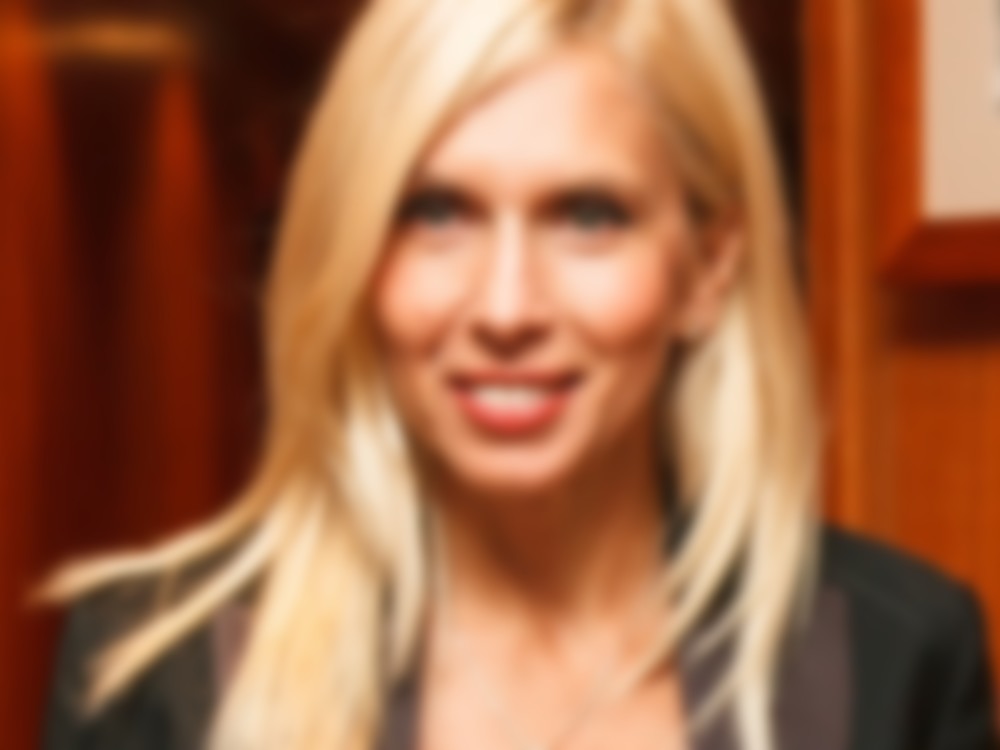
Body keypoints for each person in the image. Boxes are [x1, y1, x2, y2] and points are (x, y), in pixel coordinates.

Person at [41, 0, 999, 748]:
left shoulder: (896, 657)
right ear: (357, 252)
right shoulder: (159, 676)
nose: (506, 309)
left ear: (708, 267)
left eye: (588, 216)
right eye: (437, 211)